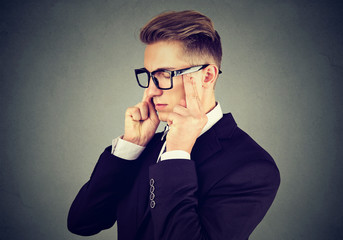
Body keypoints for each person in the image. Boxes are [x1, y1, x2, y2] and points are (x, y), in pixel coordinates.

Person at [67, 10, 280, 240]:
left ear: (207, 76)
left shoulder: (252, 168)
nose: (150, 90)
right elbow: (82, 222)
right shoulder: (146, 147)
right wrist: (131, 146)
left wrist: (177, 154)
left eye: (164, 74)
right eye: (149, 75)